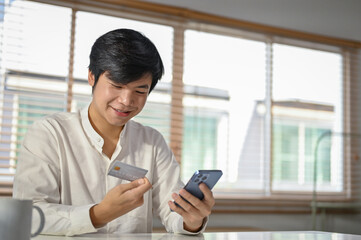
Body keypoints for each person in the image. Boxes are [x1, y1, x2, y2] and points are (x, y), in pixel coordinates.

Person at [13, 29, 215, 236]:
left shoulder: (152, 142)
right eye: (117, 85)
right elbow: (31, 215)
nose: (127, 101)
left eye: (139, 91)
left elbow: (173, 212)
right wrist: (99, 214)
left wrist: (192, 220)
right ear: (92, 76)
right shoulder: (49, 134)